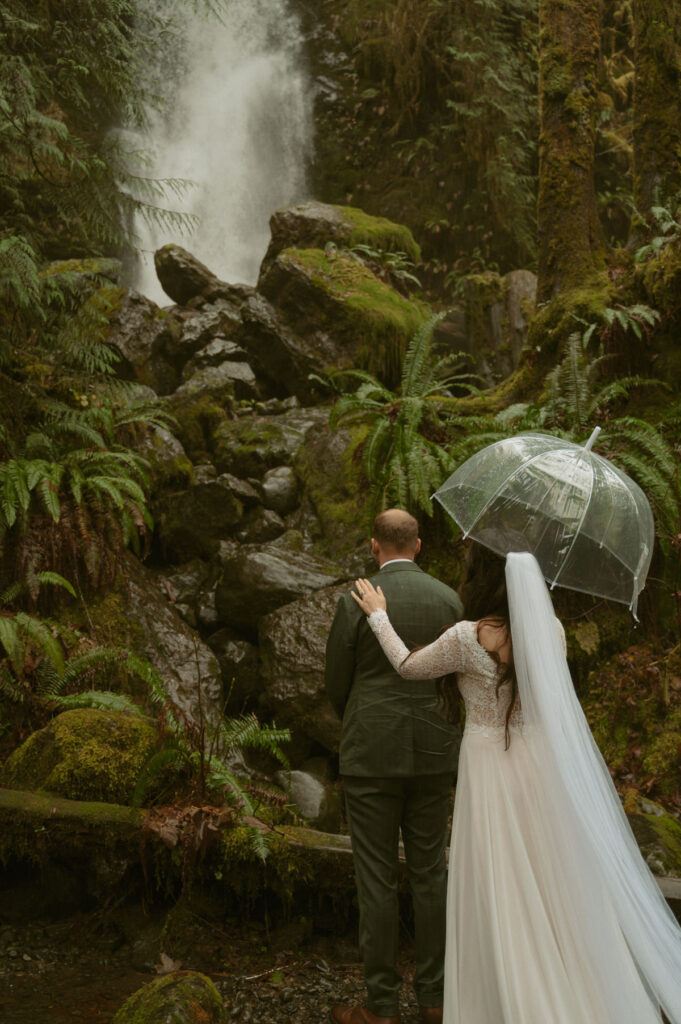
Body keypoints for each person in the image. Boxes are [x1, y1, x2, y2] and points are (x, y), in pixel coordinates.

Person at [352, 543, 681, 1024]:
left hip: (487, 766)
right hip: (537, 765)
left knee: (493, 880)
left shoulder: (468, 637)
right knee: (548, 878)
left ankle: (504, 1000)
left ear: (481, 582)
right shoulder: (551, 632)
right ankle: (565, 985)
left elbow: (407, 666)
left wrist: (379, 616)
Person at [325, 509, 464, 1024]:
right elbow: (455, 678)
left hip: (371, 755)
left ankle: (380, 1007)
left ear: (373, 545)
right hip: (433, 752)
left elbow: (336, 680)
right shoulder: (448, 599)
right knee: (431, 874)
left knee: (376, 879)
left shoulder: (354, 599)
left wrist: (360, 722)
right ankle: (436, 1000)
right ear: (420, 546)